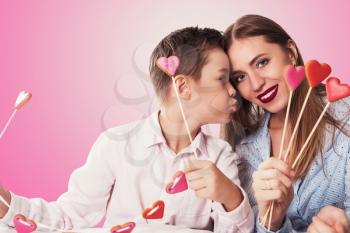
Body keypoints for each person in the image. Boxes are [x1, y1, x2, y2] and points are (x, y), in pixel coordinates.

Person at [0, 27, 254, 232]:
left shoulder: (222, 158)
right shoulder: (116, 144)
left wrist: (230, 197)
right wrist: (5, 204)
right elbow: (70, 217)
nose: (233, 91)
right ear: (183, 87)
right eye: (222, 78)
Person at [222, 14, 350, 232]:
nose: (256, 84)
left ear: (290, 53)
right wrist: (271, 222)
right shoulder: (243, 148)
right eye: (240, 77)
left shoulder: (344, 119)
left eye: (262, 62)